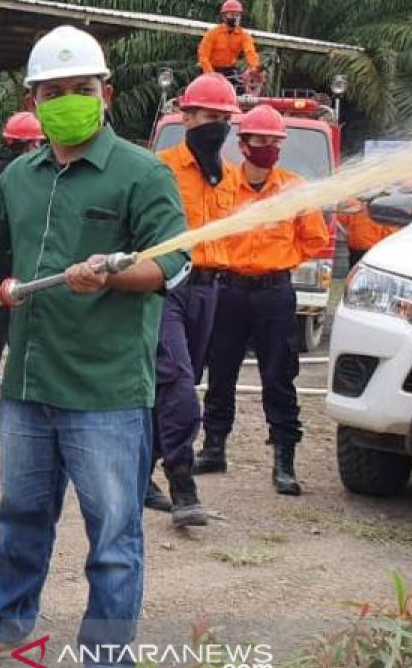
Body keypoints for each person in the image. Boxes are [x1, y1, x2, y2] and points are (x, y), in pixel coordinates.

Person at [0, 26, 189, 666]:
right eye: (54, 91)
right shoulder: (21, 175)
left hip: (105, 392)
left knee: (112, 536)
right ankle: (7, 624)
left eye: (82, 89)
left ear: (107, 93)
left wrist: (108, 273)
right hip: (27, 384)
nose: (69, 100)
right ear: (35, 99)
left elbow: (171, 265)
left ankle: (105, 654)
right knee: (20, 516)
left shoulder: (142, 173)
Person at [198, 104, 329, 495]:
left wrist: (281, 261)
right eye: (262, 141)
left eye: (275, 142)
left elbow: (315, 239)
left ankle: (284, 460)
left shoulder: (293, 189)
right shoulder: (222, 186)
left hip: (274, 293)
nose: (269, 147)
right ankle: (214, 447)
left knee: (279, 375)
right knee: (220, 371)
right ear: (243, 144)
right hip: (229, 290)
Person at [149, 72, 241, 527]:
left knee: (169, 387)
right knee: (180, 386)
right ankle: (182, 483)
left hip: (211, 290)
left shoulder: (232, 178)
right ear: (186, 116)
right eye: (210, 116)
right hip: (168, 288)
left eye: (226, 118)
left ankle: (138, 471)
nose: (218, 125)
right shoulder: (161, 167)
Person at [0, 112, 46, 389]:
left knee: (7, 306)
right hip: (18, 249)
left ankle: (9, 363)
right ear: (31, 143)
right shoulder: (31, 172)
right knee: (11, 306)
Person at [197, 0, 262, 88]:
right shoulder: (212, 33)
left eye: (238, 15)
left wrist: (254, 69)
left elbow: (250, 52)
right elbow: (203, 56)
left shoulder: (244, 35)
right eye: (232, 15)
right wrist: (211, 75)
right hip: (210, 69)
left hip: (229, 71)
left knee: (240, 89)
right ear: (224, 17)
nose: (235, 18)